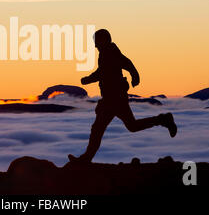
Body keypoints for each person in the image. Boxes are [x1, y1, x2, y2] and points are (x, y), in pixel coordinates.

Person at [68, 29, 177, 163]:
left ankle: (86, 159)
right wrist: (134, 76)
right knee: (128, 126)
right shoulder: (106, 52)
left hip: (115, 99)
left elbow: (121, 65)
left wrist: (88, 79)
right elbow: (107, 70)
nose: (95, 45)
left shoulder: (111, 52)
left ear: (104, 40)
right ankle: (163, 119)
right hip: (112, 99)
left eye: (97, 41)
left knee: (102, 128)